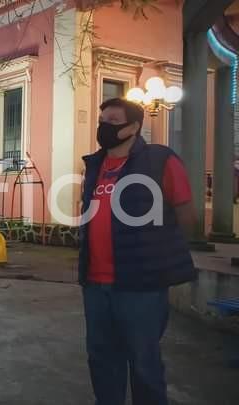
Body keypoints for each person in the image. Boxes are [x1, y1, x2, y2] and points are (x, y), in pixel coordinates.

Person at [79, 98, 197, 405]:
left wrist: (161, 254)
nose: (104, 125)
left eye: (113, 120)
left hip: (141, 286)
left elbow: (186, 213)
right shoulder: (94, 165)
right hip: (95, 284)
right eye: (102, 118)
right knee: (102, 360)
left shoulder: (160, 160)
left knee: (144, 363)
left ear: (134, 127)